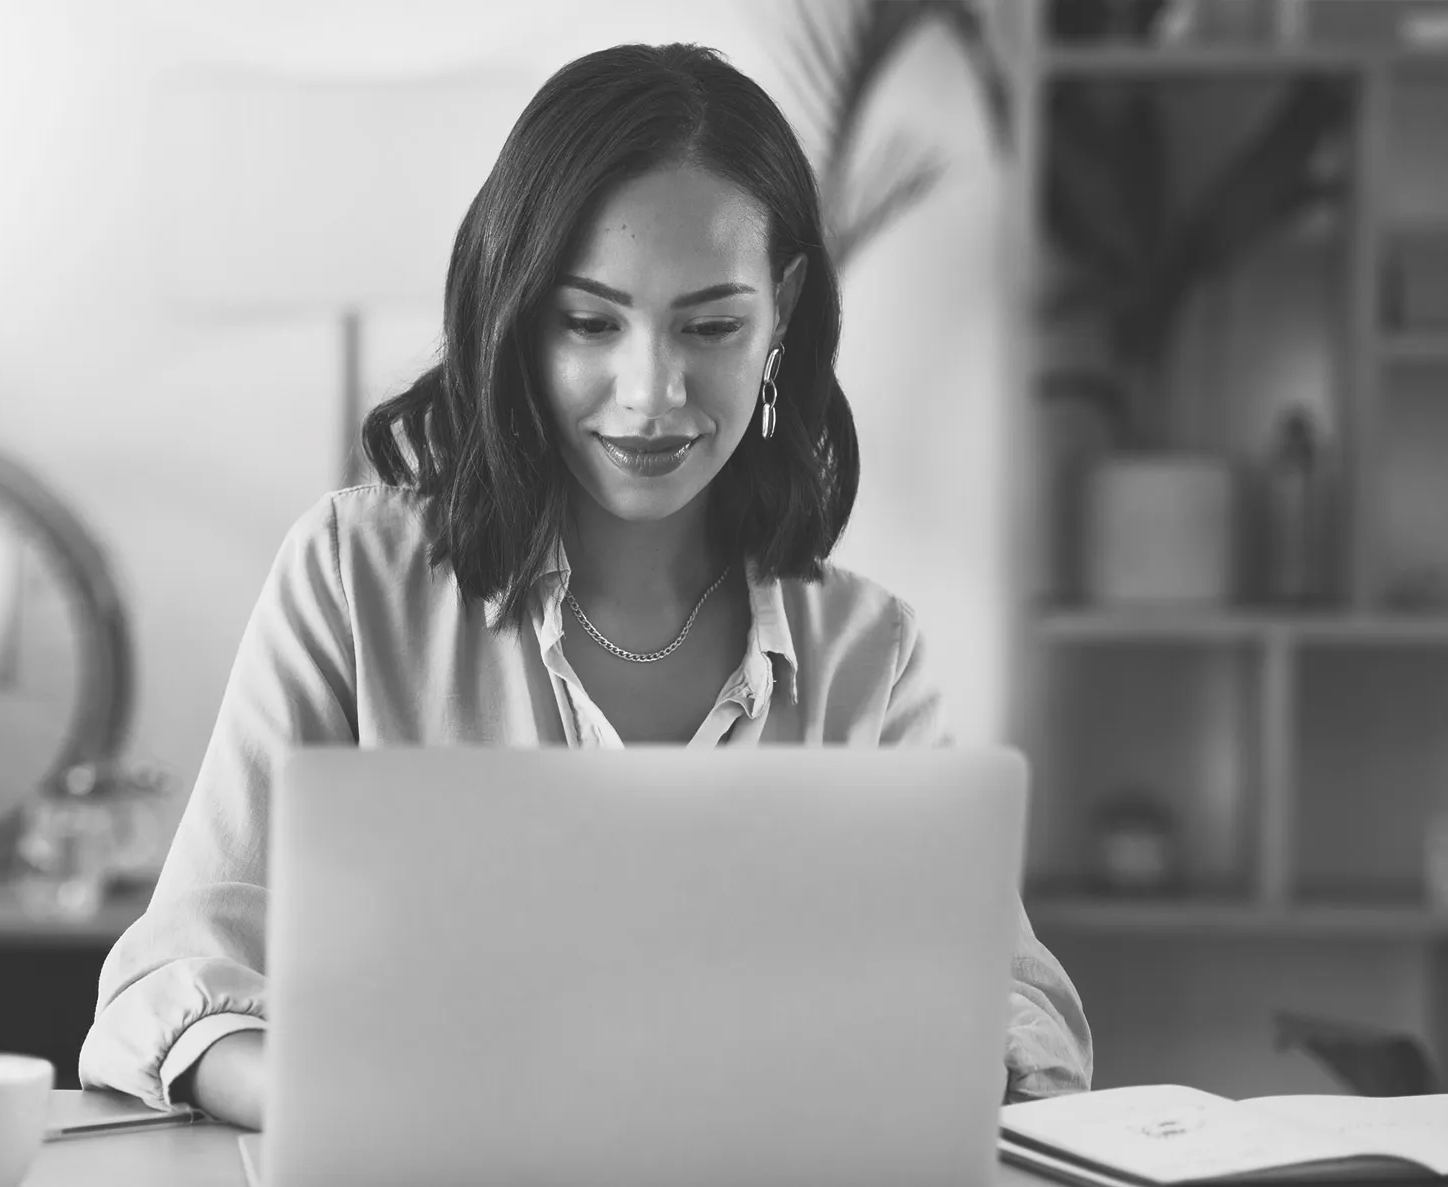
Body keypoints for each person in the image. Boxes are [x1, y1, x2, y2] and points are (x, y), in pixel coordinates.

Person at [79, 41, 1092, 1131]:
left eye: (710, 326)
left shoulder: (862, 651)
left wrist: (899, 1062)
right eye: (588, 322)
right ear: (516, 318)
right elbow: (168, 984)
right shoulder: (350, 579)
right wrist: (343, 1103)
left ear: (783, 310)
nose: (651, 395)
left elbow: (1018, 1007)